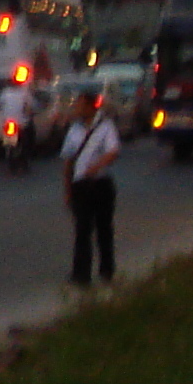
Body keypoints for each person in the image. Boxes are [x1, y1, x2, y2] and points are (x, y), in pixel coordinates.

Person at [62, 89, 123, 286]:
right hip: (80, 186)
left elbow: (113, 152)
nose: (76, 108)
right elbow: (68, 160)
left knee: (104, 230)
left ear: (90, 106)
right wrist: (68, 190)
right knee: (82, 231)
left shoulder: (106, 126)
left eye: (79, 104)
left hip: (101, 185)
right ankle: (81, 275)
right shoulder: (74, 130)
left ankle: (107, 271)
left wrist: (96, 167)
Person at [0, 71, 38, 173]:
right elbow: (31, 106)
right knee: (28, 139)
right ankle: (24, 161)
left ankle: (12, 161)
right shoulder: (25, 93)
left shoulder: (4, 92)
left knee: (9, 143)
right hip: (22, 123)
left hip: (8, 123)